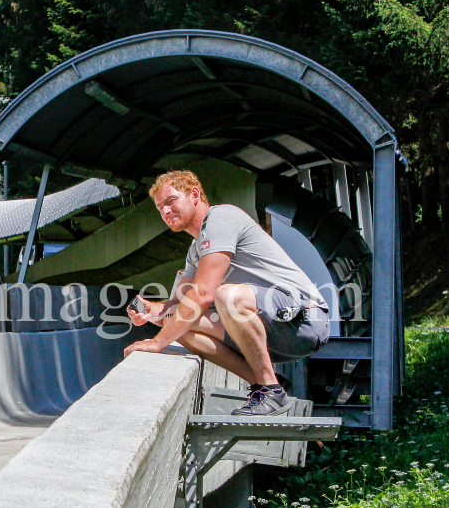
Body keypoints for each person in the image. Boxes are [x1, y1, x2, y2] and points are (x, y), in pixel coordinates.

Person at [124, 170, 329, 416]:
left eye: (171, 201)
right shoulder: (196, 248)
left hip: (303, 319)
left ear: (195, 195)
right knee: (177, 326)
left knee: (225, 296)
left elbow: (203, 295)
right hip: (269, 331)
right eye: (160, 208)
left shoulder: (221, 218)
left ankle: (270, 390)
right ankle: (266, 386)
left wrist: (156, 343)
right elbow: (179, 304)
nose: (165, 211)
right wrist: (150, 311)